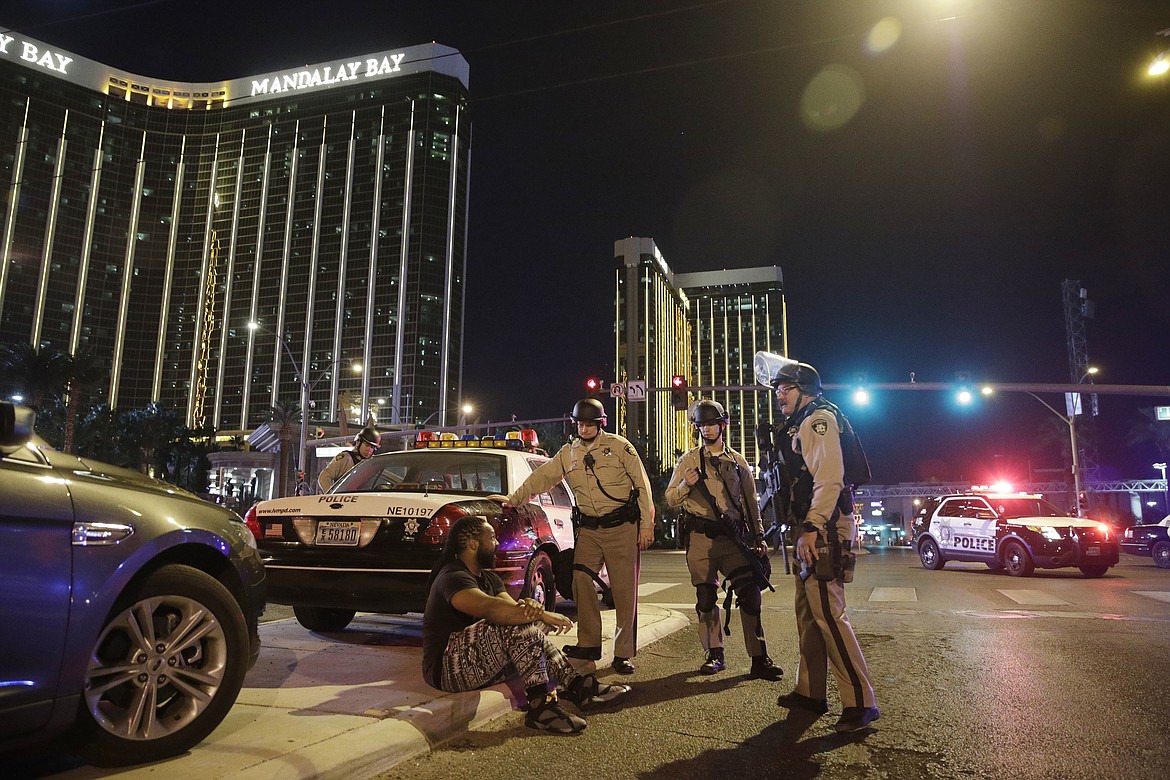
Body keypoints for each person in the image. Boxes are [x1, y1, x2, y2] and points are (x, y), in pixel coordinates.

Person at [422, 515, 629, 733]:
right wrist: (544, 615)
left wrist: (532, 610)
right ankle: (541, 707)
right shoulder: (452, 576)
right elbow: (491, 609)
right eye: (491, 538)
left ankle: (578, 687)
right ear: (473, 544)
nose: (497, 544)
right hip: (447, 670)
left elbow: (515, 610)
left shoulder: (489, 579)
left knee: (525, 627)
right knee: (513, 624)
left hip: (480, 666)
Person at [502, 398, 654, 675]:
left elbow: (642, 486)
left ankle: (623, 653)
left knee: (623, 592)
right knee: (580, 580)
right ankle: (588, 643)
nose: (584, 429)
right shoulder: (568, 453)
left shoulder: (620, 447)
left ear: (600, 424)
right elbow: (542, 478)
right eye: (580, 424)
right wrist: (515, 499)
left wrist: (646, 525)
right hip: (589, 530)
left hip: (622, 528)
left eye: (589, 424)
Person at [770, 360, 880, 732]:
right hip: (813, 527)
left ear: (805, 389)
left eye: (785, 388)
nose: (779, 395)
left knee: (829, 616)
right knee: (809, 615)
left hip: (825, 528)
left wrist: (813, 526)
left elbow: (829, 478)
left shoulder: (817, 420)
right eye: (777, 389)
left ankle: (860, 703)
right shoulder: (801, 422)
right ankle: (811, 691)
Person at [665, 399, 784, 681]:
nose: (706, 430)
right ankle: (714, 653)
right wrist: (686, 484)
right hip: (700, 538)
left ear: (722, 425)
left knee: (750, 594)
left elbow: (750, 502)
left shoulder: (738, 462)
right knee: (706, 598)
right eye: (701, 425)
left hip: (732, 539)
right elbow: (670, 499)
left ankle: (759, 658)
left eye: (711, 424)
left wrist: (758, 535)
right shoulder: (688, 461)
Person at [318, 426, 380, 492]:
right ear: (358, 442)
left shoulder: (371, 465)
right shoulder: (346, 458)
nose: (369, 450)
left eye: (372, 447)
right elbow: (324, 476)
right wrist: (333, 495)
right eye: (366, 445)